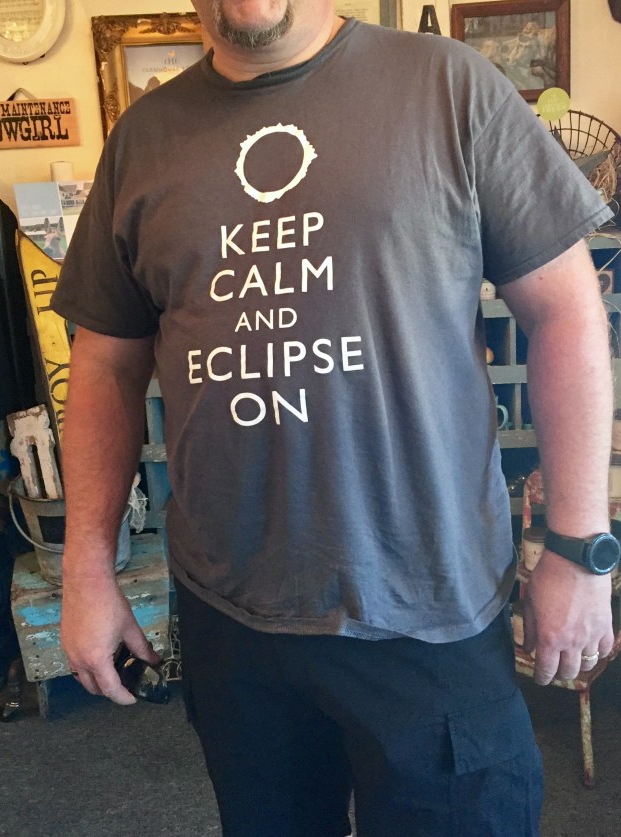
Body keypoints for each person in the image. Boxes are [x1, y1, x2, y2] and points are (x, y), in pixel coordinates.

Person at [52, 4, 616, 835]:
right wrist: (86, 568)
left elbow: (566, 313)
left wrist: (578, 546)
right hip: (233, 620)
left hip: (429, 609)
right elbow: (104, 367)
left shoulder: (449, 86)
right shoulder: (142, 141)